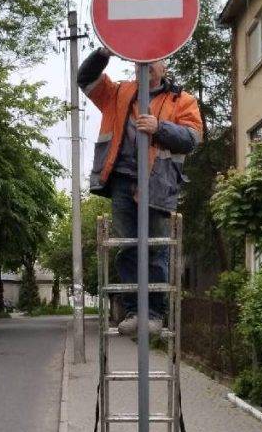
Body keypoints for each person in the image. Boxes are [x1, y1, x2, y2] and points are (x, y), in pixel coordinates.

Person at [77, 46, 203, 335]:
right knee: (129, 245)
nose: (143, 65)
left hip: (158, 182)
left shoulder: (182, 100)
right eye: (138, 61)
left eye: (152, 60)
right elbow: (84, 78)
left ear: (165, 65)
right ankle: (134, 311)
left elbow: (193, 138)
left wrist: (160, 128)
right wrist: (104, 52)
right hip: (122, 180)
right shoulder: (119, 92)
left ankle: (155, 314)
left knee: (156, 248)